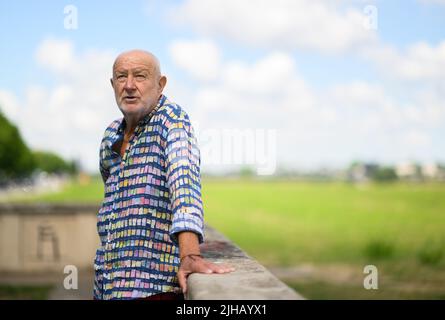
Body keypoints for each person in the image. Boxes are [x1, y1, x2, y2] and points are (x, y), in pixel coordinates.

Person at [93, 49, 234, 300]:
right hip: (107, 286)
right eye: (121, 77)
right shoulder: (110, 134)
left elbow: (184, 186)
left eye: (140, 76)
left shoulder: (172, 121)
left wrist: (190, 255)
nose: (129, 85)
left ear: (160, 84)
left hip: (154, 290)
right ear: (112, 84)